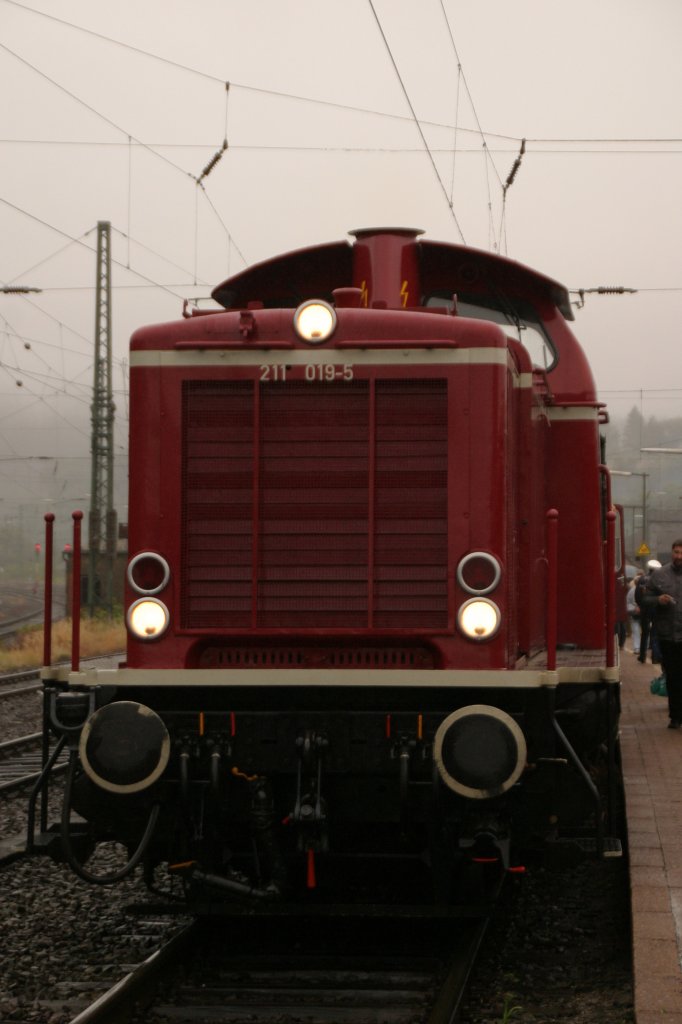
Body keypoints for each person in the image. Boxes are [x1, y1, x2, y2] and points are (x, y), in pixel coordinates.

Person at [642, 540, 682, 728]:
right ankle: (675, 716)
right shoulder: (659, 575)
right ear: (671, 552)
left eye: (681, 553)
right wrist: (658, 599)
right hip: (668, 636)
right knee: (673, 676)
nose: (679, 556)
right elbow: (643, 598)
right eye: (676, 552)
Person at [636, 559, 662, 663]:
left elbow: (637, 595)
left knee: (644, 633)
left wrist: (640, 605)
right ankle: (655, 657)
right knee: (655, 633)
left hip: (645, 609)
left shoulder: (642, 579)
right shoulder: (660, 580)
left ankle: (642, 656)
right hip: (656, 609)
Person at [626, 573, 643, 654]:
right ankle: (641, 647)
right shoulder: (644, 590)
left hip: (635, 613)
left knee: (635, 631)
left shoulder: (631, 591)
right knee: (644, 631)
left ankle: (637, 648)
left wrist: (632, 608)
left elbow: (628, 602)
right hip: (642, 613)